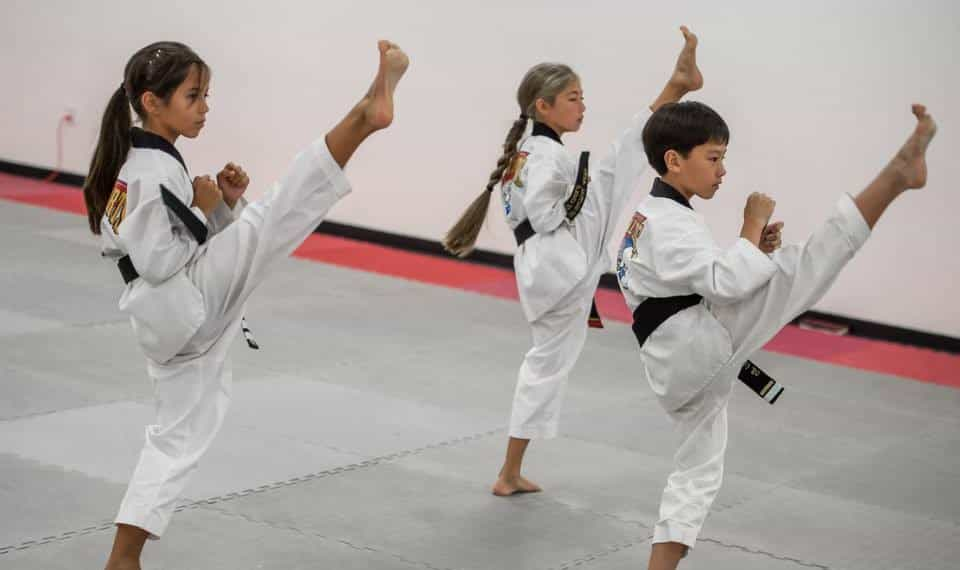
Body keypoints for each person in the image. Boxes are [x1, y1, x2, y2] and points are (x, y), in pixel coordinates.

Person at [81, 39, 409, 570]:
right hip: (181, 301)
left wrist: (219, 204)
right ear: (151, 101)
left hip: (169, 318)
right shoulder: (148, 169)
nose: (205, 107)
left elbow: (152, 244)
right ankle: (363, 117)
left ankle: (123, 557)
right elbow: (161, 256)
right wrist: (208, 209)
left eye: (206, 95)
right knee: (275, 216)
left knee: (174, 439)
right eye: (193, 96)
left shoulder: (139, 161)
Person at [616, 100, 937, 569]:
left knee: (697, 471)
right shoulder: (670, 223)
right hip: (694, 344)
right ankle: (896, 176)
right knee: (799, 269)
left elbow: (696, 274)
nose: (723, 170)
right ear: (674, 159)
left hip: (673, 360)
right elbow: (724, 283)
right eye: (714, 157)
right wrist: (751, 226)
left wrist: (752, 249)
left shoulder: (654, 214)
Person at [443, 27, 704, 497]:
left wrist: (578, 188)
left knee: (619, 163)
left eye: (581, 97)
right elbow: (545, 215)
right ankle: (507, 473)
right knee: (616, 166)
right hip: (560, 263)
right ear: (543, 106)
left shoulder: (529, 153)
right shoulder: (545, 157)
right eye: (572, 98)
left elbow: (538, 212)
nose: (581, 106)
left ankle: (677, 86)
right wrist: (577, 190)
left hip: (551, 266)